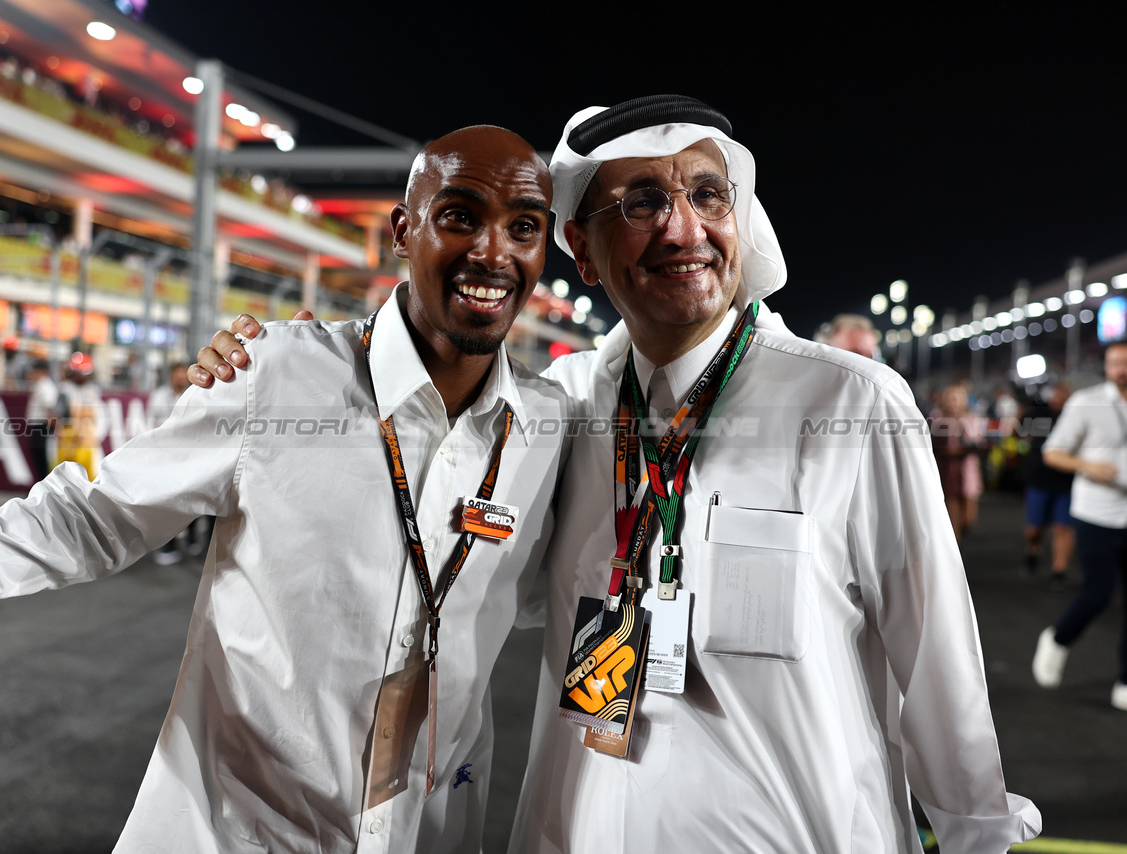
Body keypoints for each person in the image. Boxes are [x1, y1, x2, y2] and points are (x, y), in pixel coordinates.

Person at [194, 95, 1039, 853]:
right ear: (584, 253)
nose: (682, 229)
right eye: (642, 203)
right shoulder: (553, 409)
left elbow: (938, 656)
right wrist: (303, 367)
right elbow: (433, 491)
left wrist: (976, 833)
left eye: (707, 196)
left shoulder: (848, 402)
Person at [0, 125, 567, 853]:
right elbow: (90, 521)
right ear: (402, 233)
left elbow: (556, 592)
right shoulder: (274, 374)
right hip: (235, 833)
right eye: (460, 216)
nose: (492, 251)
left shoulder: (551, 428)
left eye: (525, 228)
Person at [1031, 342, 1127, 712]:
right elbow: (1053, 451)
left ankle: (1124, 680)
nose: (1121, 369)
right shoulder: (1087, 402)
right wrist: (1089, 467)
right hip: (1096, 513)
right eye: (1115, 362)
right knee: (1099, 593)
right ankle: (1057, 639)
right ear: (1106, 366)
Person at [147, 362, 201, 565]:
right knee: (166, 503)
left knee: (192, 499)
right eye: (177, 375)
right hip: (165, 457)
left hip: (190, 456)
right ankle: (167, 545)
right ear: (170, 376)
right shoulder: (159, 396)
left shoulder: (196, 394)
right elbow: (153, 425)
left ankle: (193, 538)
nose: (180, 379)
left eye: (183, 375)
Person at [1022, 381, 1075, 589]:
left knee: (1063, 528)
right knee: (1035, 529)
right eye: (1055, 395)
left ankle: (1059, 571)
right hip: (1039, 479)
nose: (1058, 399)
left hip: (1066, 481)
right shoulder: (1036, 414)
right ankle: (1032, 549)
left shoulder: (1074, 417)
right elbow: (1018, 431)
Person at [931, 381, 987, 541]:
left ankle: (961, 533)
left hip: (967, 468)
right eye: (950, 398)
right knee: (951, 507)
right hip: (946, 468)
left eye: (957, 398)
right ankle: (956, 543)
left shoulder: (972, 419)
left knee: (969, 517)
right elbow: (932, 442)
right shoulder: (937, 418)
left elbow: (979, 443)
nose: (953, 402)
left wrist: (961, 448)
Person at [53, 351, 104, 481]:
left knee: (89, 477)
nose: (82, 377)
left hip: (87, 443)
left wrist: (95, 434)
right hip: (68, 442)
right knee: (63, 477)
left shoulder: (92, 391)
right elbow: (57, 417)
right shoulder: (64, 390)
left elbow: (100, 417)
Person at [23, 359, 59, 481]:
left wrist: (52, 429)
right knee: (38, 457)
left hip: (42, 425)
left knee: (43, 458)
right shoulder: (40, 385)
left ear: (42, 372)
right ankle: (41, 483)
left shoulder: (46, 386)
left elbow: (50, 408)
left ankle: (45, 485)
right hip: (37, 425)